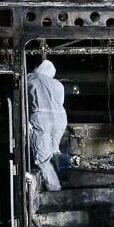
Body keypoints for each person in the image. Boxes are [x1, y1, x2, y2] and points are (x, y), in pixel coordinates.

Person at [27, 60, 67, 191]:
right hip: (60, 119)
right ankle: (65, 176)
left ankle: (55, 190)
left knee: (43, 158)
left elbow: (23, 100)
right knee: (55, 150)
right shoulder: (58, 84)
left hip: (42, 119)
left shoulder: (30, 78)